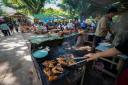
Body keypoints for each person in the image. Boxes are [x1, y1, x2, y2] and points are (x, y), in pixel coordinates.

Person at [84, 11, 128, 85]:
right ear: (110, 12)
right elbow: (118, 50)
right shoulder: (104, 19)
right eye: (113, 14)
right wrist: (95, 55)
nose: (113, 16)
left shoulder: (108, 19)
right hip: (99, 36)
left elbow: (118, 50)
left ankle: (103, 69)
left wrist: (96, 55)